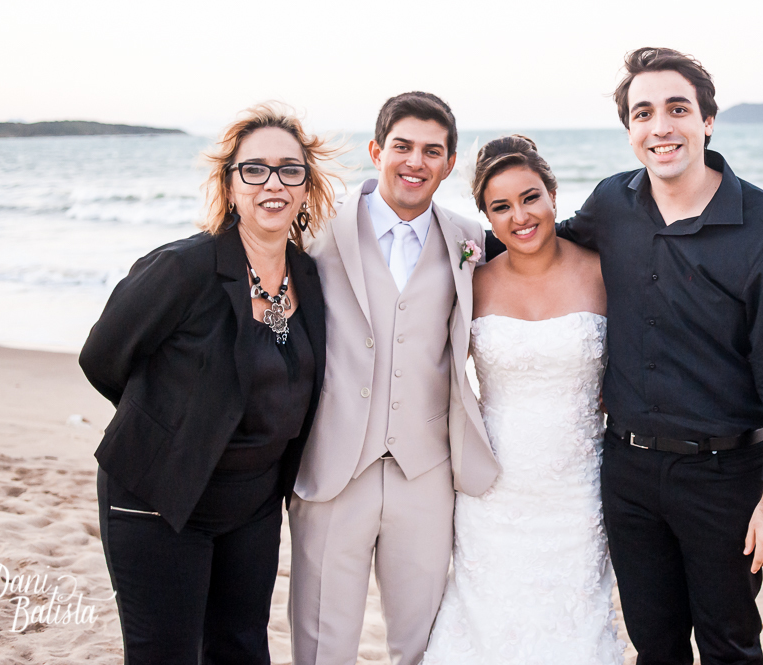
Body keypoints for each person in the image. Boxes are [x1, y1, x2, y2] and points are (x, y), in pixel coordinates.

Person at [556, 48, 763, 665]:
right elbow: (540, 246)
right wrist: (447, 243)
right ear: (629, 131)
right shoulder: (612, 204)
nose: (660, 127)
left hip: (724, 479)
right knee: (654, 644)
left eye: (677, 109)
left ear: (707, 120)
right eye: (643, 113)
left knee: (729, 644)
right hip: (626, 471)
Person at [79, 102, 338, 664]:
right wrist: (177, 424)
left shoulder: (311, 277)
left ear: (306, 185)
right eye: (255, 169)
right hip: (160, 496)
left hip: (254, 504)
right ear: (231, 182)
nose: (274, 183)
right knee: (165, 654)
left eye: (290, 170)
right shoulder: (181, 269)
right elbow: (101, 357)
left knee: (242, 649)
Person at [287, 91, 500, 665]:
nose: (415, 162)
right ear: (378, 150)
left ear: (450, 163)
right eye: (402, 146)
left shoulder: (471, 242)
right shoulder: (317, 235)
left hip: (425, 472)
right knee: (320, 644)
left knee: (423, 644)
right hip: (333, 470)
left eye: (433, 151)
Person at [422, 136, 624, 664]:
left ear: (554, 194)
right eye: (501, 207)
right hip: (491, 490)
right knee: (486, 623)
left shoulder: (604, 273)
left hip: (577, 494)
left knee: (573, 627)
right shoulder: (473, 284)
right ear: (486, 218)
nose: (520, 216)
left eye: (530, 197)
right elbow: (429, 371)